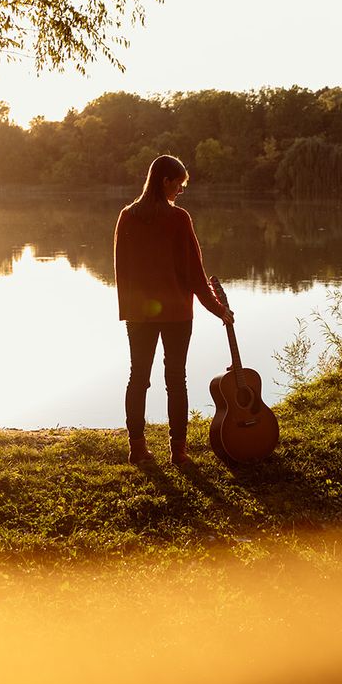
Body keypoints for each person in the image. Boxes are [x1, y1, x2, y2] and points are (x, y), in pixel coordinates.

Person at [113, 154, 232, 465]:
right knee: (176, 379)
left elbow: (121, 271)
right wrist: (219, 310)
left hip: (140, 314)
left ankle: (137, 449)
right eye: (179, 186)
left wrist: (129, 310)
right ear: (165, 181)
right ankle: (178, 452)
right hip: (178, 313)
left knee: (138, 378)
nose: (180, 192)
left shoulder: (128, 216)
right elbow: (195, 274)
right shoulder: (179, 219)